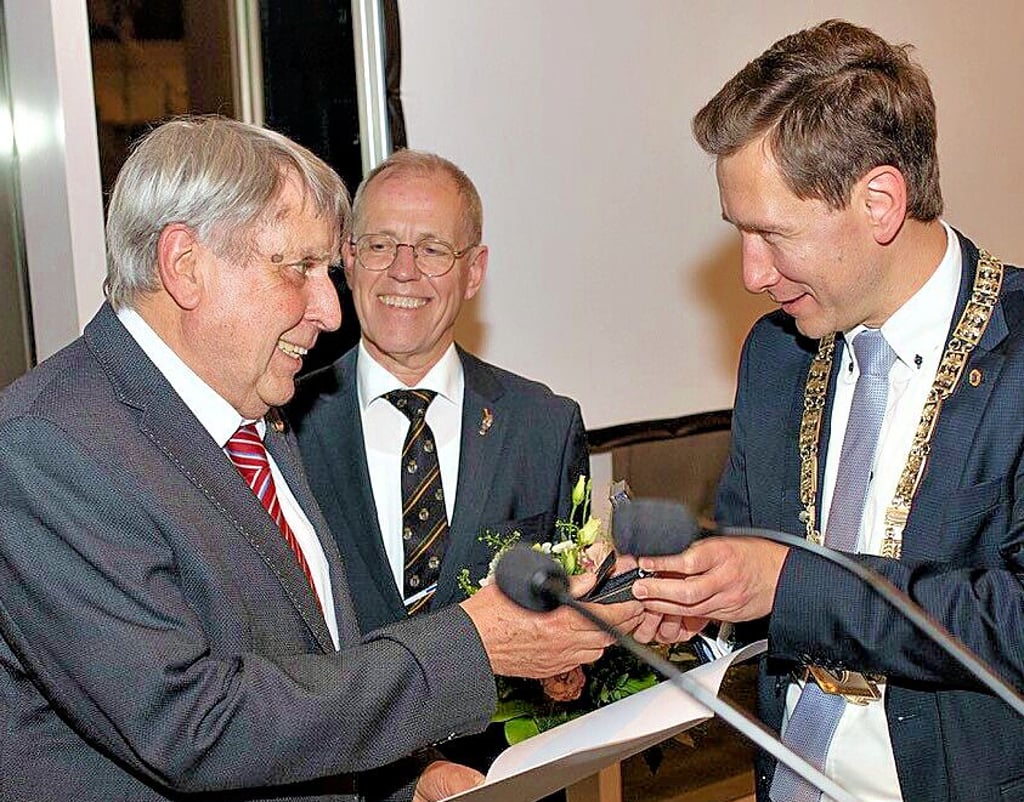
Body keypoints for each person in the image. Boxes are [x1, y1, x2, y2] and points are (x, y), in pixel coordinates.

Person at [0, 116, 641, 801]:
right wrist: (473, 643)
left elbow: (303, 671)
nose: (331, 310)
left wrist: (403, 780)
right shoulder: (48, 447)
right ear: (185, 266)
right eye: (299, 268)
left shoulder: (256, 419)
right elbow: (193, 724)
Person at [629, 20, 1024, 802]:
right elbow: (753, 561)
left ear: (879, 201)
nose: (750, 273)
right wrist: (697, 600)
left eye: (771, 233)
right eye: (738, 233)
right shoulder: (776, 355)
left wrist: (791, 585)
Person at [290, 150, 588, 634]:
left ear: (473, 271)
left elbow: (570, 624)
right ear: (348, 259)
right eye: (380, 245)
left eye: (431, 249)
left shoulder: (545, 427)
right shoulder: (283, 427)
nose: (402, 271)